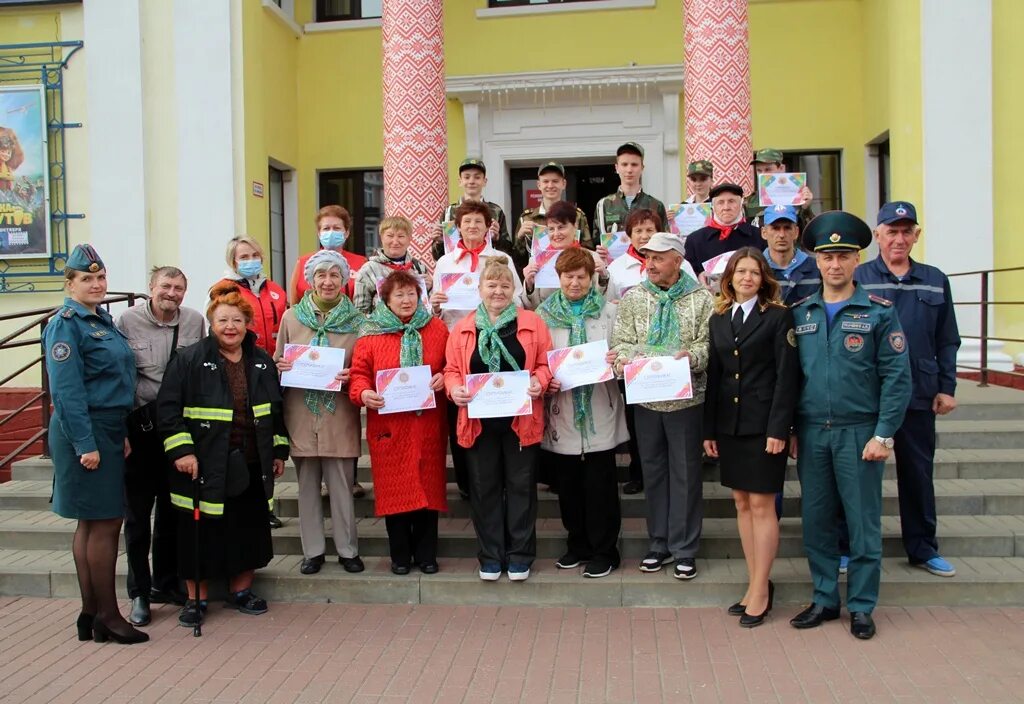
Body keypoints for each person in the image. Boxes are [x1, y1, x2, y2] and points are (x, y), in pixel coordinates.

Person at [788, 211, 911, 641]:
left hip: (860, 433)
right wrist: (789, 431)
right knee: (816, 521)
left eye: (843, 256)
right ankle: (824, 598)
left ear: (857, 259)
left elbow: (897, 377)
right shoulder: (801, 313)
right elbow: (791, 378)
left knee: (862, 524)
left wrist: (884, 434)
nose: (835, 265)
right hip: (811, 433)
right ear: (817, 263)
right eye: (827, 257)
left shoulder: (878, 313)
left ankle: (861, 606)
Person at [157, 282, 289, 628]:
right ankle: (195, 600)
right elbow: (168, 411)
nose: (230, 327)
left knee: (247, 529)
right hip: (202, 464)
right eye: (222, 321)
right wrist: (182, 451)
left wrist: (277, 450)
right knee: (198, 535)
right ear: (211, 325)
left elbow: (275, 411)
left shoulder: (260, 361)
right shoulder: (189, 360)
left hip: (250, 462)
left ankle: (241, 591)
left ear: (247, 324)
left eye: (237, 320)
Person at [44, 244, 146, 644]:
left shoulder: (100, 320)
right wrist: (86, 443)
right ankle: (108, 614)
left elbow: (114, 382)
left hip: (106, 426)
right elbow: (67, 392)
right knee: (105, 522)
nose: (97, 284)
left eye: (101, 278)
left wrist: (117, 433)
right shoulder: (66, 324)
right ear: (70, 284)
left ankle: (90, 613)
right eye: (87, 278)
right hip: (81, 430)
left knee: (93, 522)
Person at [855, 201, 961, 577]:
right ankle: (849, 547)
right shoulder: (859, 276)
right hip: (868, 394)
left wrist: (946, 386)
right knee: (859, 476)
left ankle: (922, 547)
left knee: (918, 473)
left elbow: (947, 338)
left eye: (906, 231)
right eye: (891, 231)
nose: (899, 238)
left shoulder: (934, 278)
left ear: (916, 235)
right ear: (878, 235)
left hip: (919, 391)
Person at [703, 248, 799, 627]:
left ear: (764, 279)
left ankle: (761, 588)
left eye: (754, 272)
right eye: (740, 271)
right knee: (741, 503)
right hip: (730, 425)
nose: (747, 278)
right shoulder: (720, 319)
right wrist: (708, 429)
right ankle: (753, 582)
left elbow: (787, 377)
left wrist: (780, 429)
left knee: (762, 505)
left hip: (764, 426)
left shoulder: (777, 317)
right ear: (729, 278)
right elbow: (715, 378)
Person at [611, 233, 714, 580]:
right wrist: (624, 360)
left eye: (658, 257)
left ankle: (685, 547)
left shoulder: (701, 298)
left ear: (677, 260)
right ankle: (659, 541)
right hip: (646, 398)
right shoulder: (635, 298)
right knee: (653, 471)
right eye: (647, 258)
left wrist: (693, 357)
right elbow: (621, 342)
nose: (650, 264)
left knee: (685, 473)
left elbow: (708, 345)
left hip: (687, 400)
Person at [444, 257, 553, 582]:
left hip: (521, 421)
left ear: (514, 289)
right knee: (484, 488)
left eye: (505, 285)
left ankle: (520, 555)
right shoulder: (463, 328)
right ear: (479, 289)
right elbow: (451, 371)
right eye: (491, 284)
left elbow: (546, 364)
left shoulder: (532, 322)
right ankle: (491, 555)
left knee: (521, 487)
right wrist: (454, 390)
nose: (498, 291)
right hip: (478, 423)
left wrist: (540, 382)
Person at [116, 266, 205, 626]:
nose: (172, 293)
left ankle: (167, 583)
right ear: (150, 288)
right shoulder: (127, 321)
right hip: (140, 429)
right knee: (137, 516)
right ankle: (139, 592)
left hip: (177, 430)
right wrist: (118, 428)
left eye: (179, 288)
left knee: (173, 511)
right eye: (165, 286)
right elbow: (120, 375)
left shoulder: (195, 322)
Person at [349, 270, 450, 574]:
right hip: (389, 426)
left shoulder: (436, 329)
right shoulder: (370, 333)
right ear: (386, 300)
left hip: (428, 423)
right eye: (399, 295)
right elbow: (359, 375)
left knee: (428, 488)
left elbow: (452, 365)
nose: (406, 300)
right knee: (395, 491)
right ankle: (400, 556)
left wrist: (444, 377)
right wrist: (364, 393)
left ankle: (427, 554)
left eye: (411, 294)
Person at [537, 248, 627, 578]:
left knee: (600, 485)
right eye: (568, 276)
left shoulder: (608, 313)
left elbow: (621, 350)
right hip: (562, 407)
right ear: (558, 278)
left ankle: (605, 550)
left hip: (600, 404)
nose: (575, 283)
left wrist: (614, 361)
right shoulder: (544, 316)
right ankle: (578, 545)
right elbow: (538, 359)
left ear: (592, 278)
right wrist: (546, 379)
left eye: (581, 276)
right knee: (569, 485)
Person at [274, 251, 365, 575]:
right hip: (300, 409)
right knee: (307, 484)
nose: (327, 281)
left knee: (342, 483)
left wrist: (352, 374)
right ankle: (312, 551)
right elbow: (277, 361)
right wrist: (280, 366)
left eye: (335, 275)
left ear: (344, 281)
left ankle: (347, 549)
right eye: (321, 275)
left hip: (338, 410)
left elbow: (363, 365)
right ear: (310, 280)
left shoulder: (357, 321)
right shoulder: (291, 318)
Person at [431, 202, 526, 498]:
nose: (472, 226)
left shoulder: (501, 258)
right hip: (458, 344)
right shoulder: (445, 263)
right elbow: (435, 308)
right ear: (458, 226)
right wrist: (434, 306)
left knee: (497, 408)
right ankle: (466, 482)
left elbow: (519, 300)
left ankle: (501, 477)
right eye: (467, 221)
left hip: (501, 339)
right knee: (460, 410)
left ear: (489, 227)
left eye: (478, 222)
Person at [216, 235, 287, 526]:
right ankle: (254, 505)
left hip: (274, 371)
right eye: (243, 257)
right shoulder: (224, 291)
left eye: (254, 255)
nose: (249, 260)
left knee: (270, 438)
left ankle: (266, 505)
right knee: (250, 441)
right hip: (240, 371)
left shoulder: (276, 291)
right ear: (233, 261)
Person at [522, 200, 607, 309]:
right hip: (549, 323)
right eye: (551, 229)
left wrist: (603, 277)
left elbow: (602, 301)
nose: (556, 234)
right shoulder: (537, 260)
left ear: (575, 225)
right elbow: (533, 307)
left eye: (561, 227)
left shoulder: (592, 258)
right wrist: (529, 285)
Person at [513, 161, 594, 271]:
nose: (550, 186)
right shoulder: (526, 218)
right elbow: (518, 260)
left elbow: (588, 250)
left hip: (571, 274)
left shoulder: (577, 216)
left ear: (564, 184)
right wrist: (520, 238)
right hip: (540, 278)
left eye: (555, 181)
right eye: (546, 181)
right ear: (539, 185)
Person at [430, 158, 512, 262]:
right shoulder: (449, 211)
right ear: (460, 181)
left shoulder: (495, 211)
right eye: (467, 177)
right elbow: (438, 256)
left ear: (484, 181)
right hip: (457, 267)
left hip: (487, 266)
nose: (471, 181)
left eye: (477, 177)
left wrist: (497, 239)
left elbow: (508, 251)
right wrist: (438, 242)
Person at [352, 215, 431, 315]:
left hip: (416, 328)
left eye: (401, 236)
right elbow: (360, 311)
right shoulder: (368, 270)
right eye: (390, 236)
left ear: (410, 239)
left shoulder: (418, 267)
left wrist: (430, 288)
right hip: (381, 328)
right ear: (381, 237)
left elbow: (428, 306)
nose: (395, 241)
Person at [289, 205, 368, 303]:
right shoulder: (304, 262)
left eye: (336, 228)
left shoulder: (361, 263)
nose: (331, 232)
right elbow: (294, 304)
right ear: (319, 233)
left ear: (346, 233)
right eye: (326, 228)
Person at [684, 183, 763, 279]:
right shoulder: (695, 240)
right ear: (713, 206)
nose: (726, 207)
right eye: (720, 202)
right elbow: (686, 275)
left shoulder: (758, 236)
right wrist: (699, 276)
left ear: (741, 203)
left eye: (731, 201)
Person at [593, 142, 669, 242]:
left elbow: (664, 242)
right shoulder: (603, 205)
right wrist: (599, 251)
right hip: (615, 258)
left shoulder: (656, 205)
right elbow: (596, 242)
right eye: (624, 164)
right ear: (617, 168)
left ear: (642, 168)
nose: (629, 170)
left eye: (634, 165)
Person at [744, 148, 815, 230]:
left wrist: (806, 208)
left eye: (768, 169)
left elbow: (808, 231)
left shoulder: (797, 198)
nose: (762, 175)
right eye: (759, 170)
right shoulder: (750, 202)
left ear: (781, 169)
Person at [762, 205, 820, 305]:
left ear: (796, 232)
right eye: (775, 228)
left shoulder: (816, 267)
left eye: (787, 228)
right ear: (764, 233)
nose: (782, 235)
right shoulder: (756, 268)